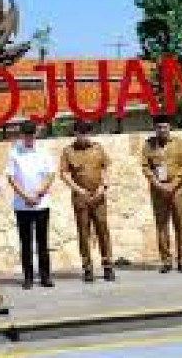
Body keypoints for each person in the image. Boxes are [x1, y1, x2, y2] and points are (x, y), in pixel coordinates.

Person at [59, 120, 115, 283]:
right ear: (75, 133)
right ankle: (87, 268)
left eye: (86, 133)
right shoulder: (68, 151)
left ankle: (107, 265)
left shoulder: (98, 148)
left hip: (98, 196)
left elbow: (107, 167)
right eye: (80, 133)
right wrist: (78, 190)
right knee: (84, 233)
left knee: (103, 229)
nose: (84, 136)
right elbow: (64, 174)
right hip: (80, 198)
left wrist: (104, 186)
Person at [6, 120, 55, 289]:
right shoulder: (14, 153)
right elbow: (11, 178)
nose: (29, 138)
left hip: (42, 203)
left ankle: (45, 276)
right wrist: (26, 195)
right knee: (25, 242)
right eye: (26, 135)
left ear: (35, 134)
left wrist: (39, 193)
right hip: (22, 204)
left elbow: (50, 174)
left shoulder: (44, 151)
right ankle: (28, 277)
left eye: (31, 134)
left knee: (42, 241)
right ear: (21, 135)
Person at [141, 114, 182, 274]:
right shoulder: (149, 145)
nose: (162, 130)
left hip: (177, 190)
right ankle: (166, 261)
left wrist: (173, 184)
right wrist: (158, 185)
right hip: (158, 191)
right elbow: (145, 167)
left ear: (170, 128)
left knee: (180, 225)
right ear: (155, 129)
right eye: (159, 127)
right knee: (162, 226)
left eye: (165, 127)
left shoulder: (180, 144)